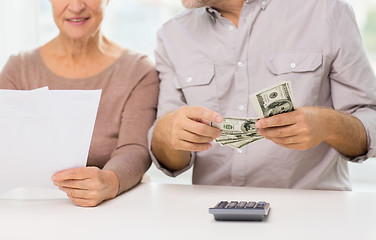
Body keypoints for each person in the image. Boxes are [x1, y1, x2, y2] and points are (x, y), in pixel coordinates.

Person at [149, 0, 376, 190]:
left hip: (311, 214)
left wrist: (328, 125)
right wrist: (166, 135)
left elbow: (370, 121)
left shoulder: (328, 12)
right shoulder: (171, 35)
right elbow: (172, 162)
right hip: (214, 215)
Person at [0, 0, 159, 206]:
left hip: (112, 206)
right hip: (32, 205)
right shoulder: (18, 69)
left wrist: (110, 181)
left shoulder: (139, 70)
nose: (76, 6)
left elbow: (134, 148)